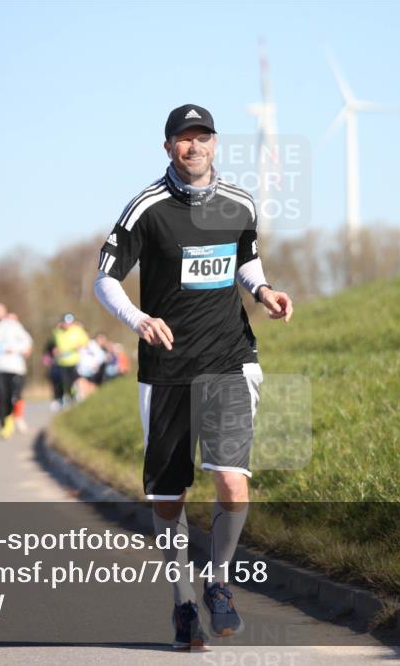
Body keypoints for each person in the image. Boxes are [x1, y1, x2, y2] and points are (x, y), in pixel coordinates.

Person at [94, 104, 293, 649]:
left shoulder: (239, 202)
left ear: (214, 143)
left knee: (232, 480)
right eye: (184, 139)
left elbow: (244, 259)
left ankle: (219, 582)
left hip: (230, 358)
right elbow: (105, 279)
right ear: (168, 148)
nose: (194, 146)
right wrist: (138, 319)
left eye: (202, 137)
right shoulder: (146, 209)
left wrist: (263, 291)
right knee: (169, 496)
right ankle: (183, 602)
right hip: (167, 371)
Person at [0, 304, 32, 439]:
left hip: (14, 367)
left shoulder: (13, 325)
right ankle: (5, 423)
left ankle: (14, 418)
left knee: (14, 396)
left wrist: (14, 348)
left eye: (0, 311)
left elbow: (27, 341)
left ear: (5, 312)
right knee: (1, 396)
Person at [48, 313, 88, 412]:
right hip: (62, 361)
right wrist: (55, 350)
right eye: (65, 323)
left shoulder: (78, 330)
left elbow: (85, 341)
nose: (67, 325)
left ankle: (76, 396)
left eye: (69, 323)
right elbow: (53, 344)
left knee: (76, 380)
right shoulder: (57, 332)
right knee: (65, 383)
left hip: (75, 360)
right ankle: (69, 400)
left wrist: (79, 345)